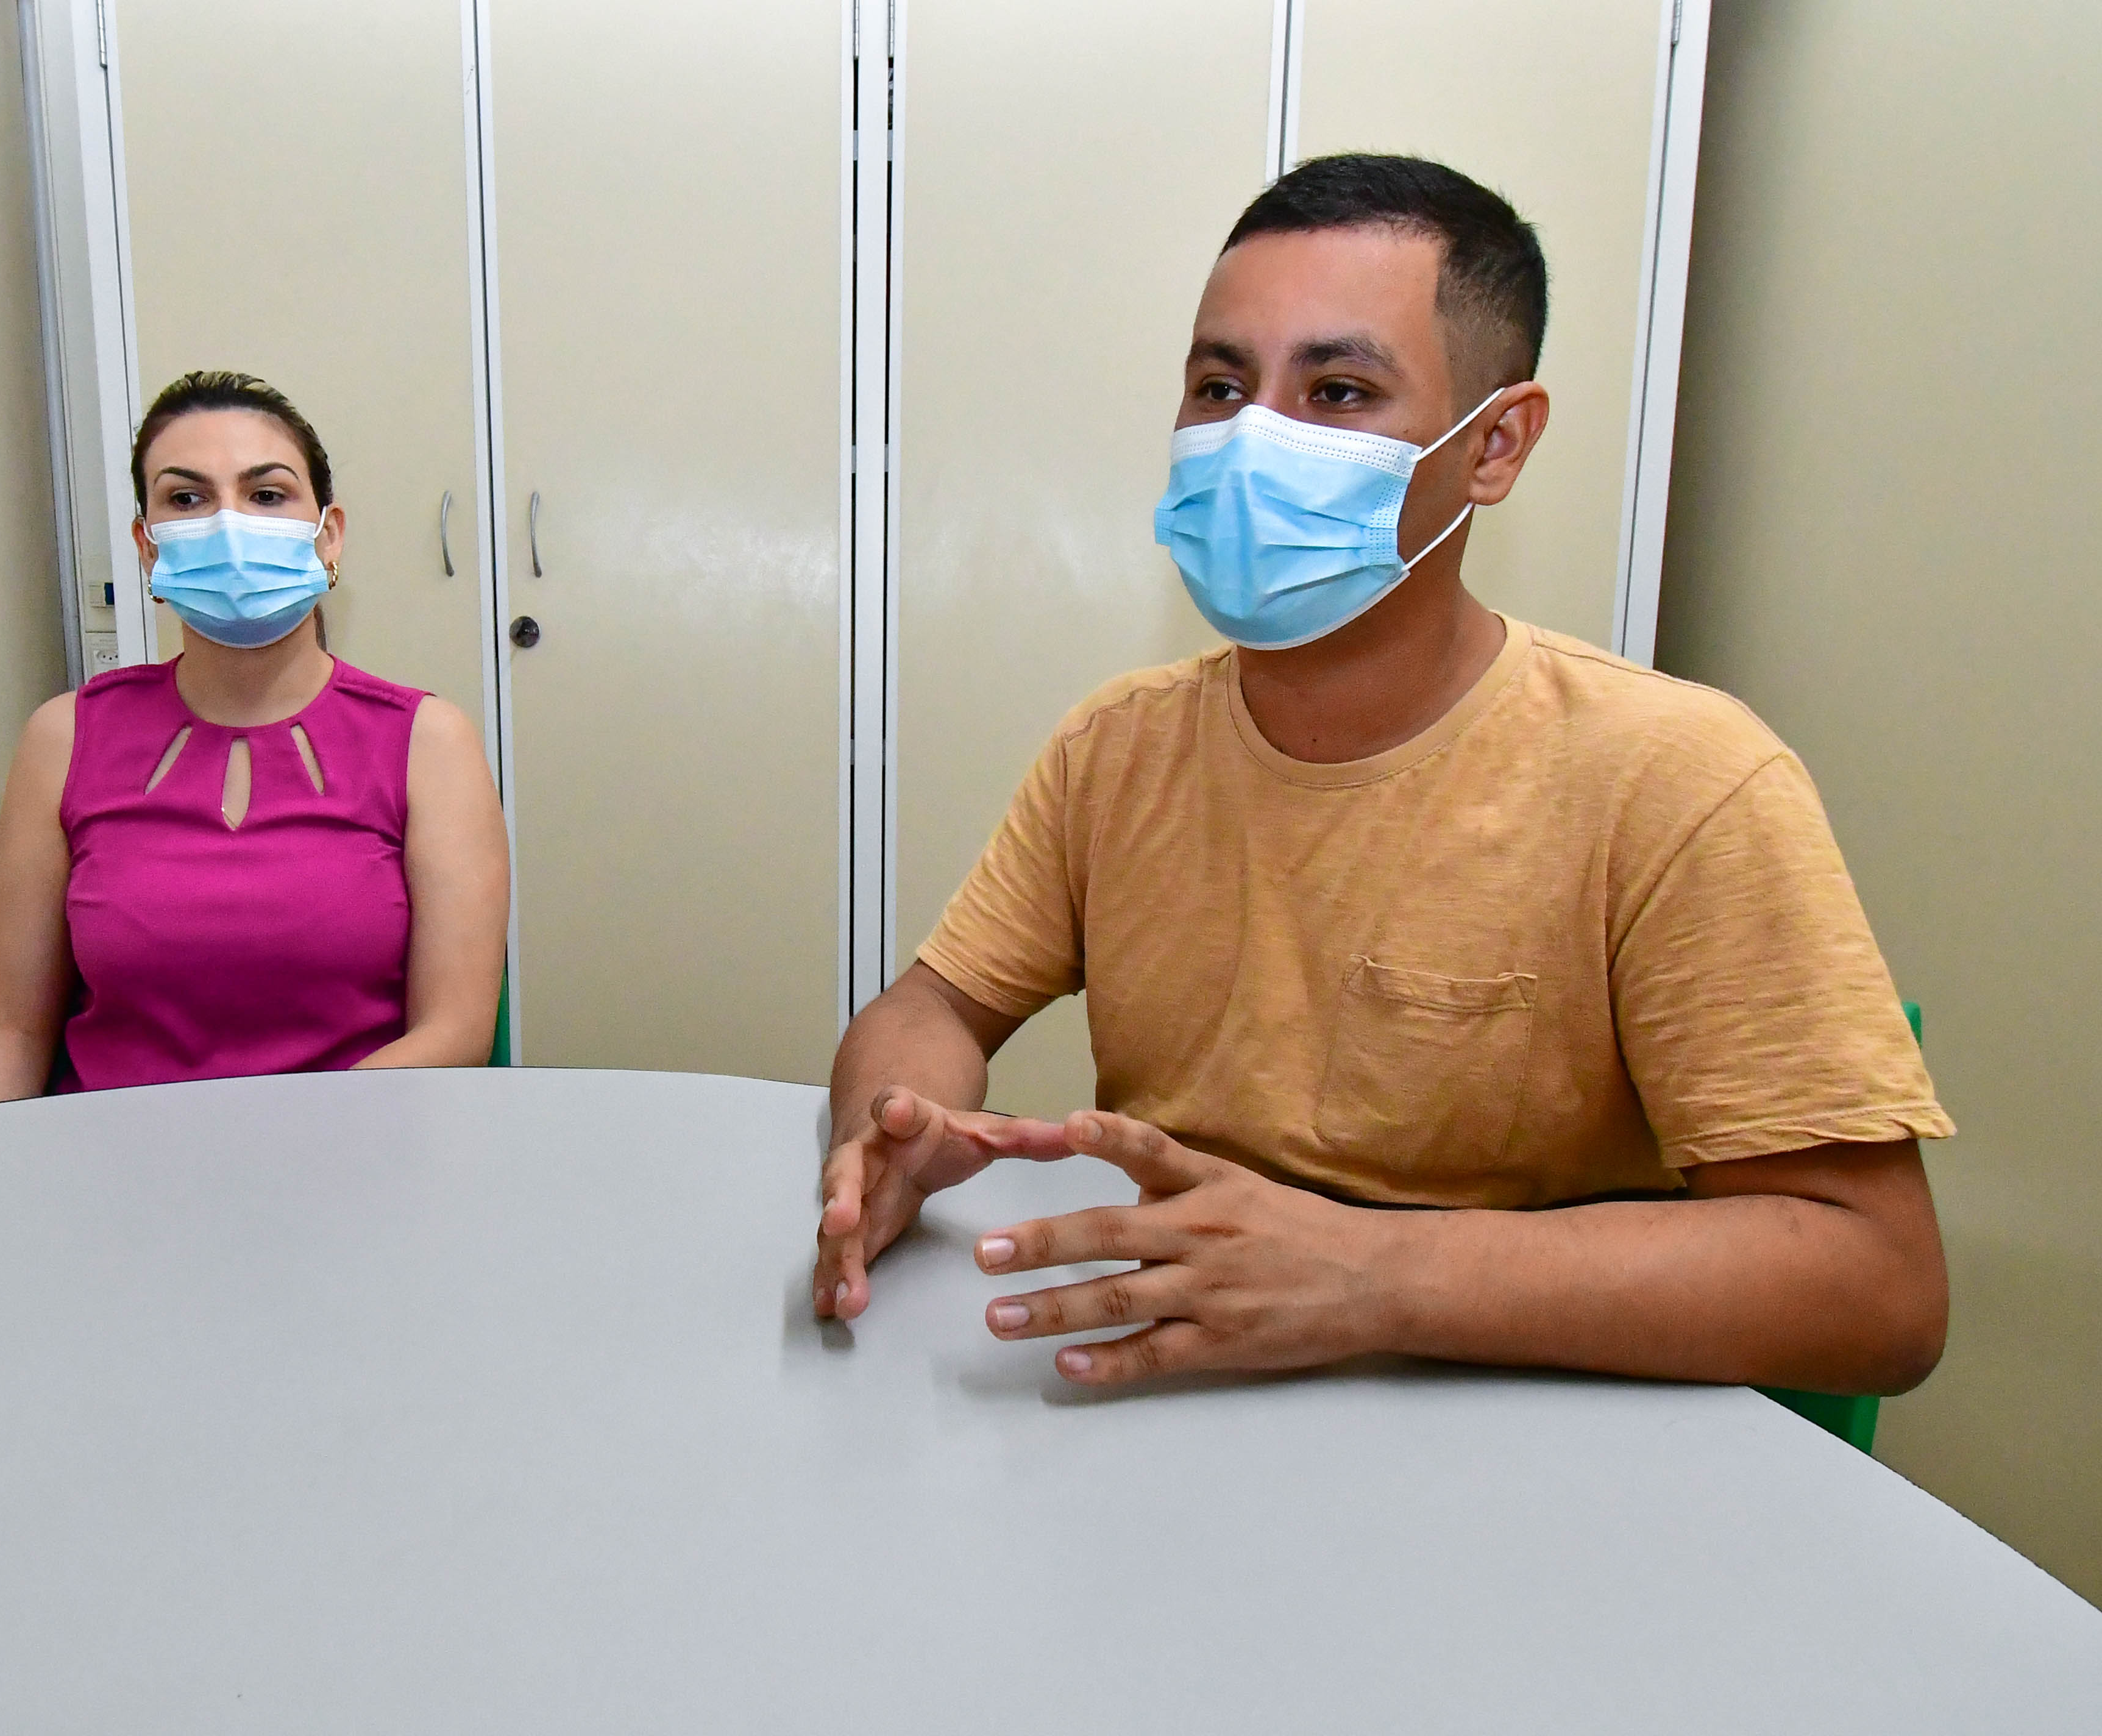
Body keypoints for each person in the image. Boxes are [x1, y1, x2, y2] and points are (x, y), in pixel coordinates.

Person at [814, 155, 1953, 1398]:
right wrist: (892, 1126)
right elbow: (934, 1008)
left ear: (1494, 444)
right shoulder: (1117, 749)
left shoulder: (1678, 780)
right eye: (1220, 386)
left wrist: (1368, 1273)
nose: (1253, 440)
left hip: (1526, 1442)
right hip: (1184, 1408)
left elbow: (1879, 1286)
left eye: (1338, 390)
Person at [0, 371, 508, 1104]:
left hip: (351, 1149)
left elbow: (455, 1031)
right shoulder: (65, 737)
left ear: (328, 535)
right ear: (149, 547)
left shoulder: (428, 743)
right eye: (187, 499)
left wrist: (280, 1149)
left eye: (266, 495)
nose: (228, 525)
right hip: (109, 1160)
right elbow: (7, 1030)